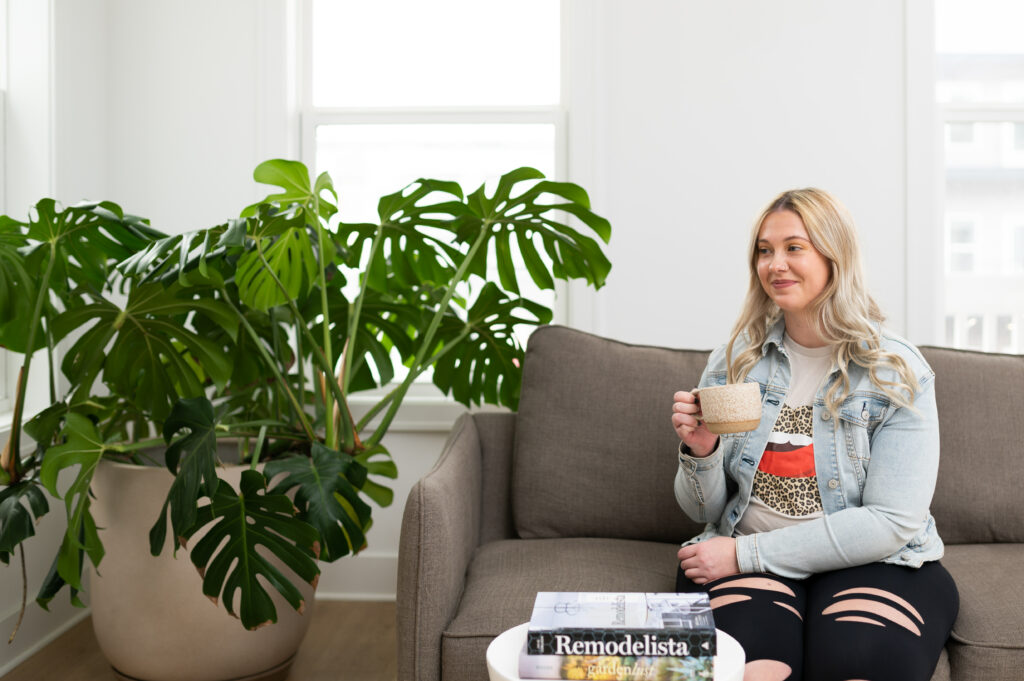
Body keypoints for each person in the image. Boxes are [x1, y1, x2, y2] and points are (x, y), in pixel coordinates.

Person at [670, 188, 958, 681]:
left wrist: (744, 554)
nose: (775, 264)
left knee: (858, 664)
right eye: (765, 250)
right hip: (743, 555)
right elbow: (704, 510)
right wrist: (702, 452)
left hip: (871, 563)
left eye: (794, 247)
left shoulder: (895, 371)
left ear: (834, 255)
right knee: (753, 670)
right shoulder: (736, 359)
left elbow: (892, 521)